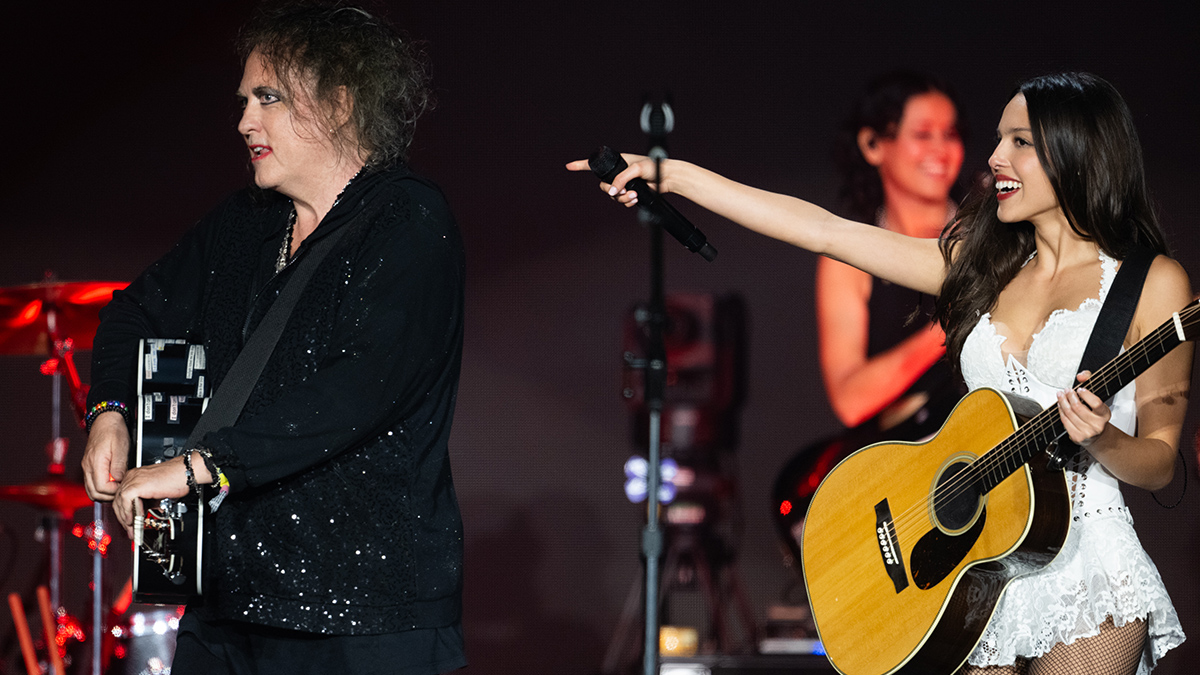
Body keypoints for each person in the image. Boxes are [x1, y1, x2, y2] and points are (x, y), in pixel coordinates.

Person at [570, 72, 1190, 674]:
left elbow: (1161, 460)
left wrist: (1103, 437)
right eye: (1000, 138)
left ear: (1077, 152)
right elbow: (824, 231)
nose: (995, 157)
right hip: (978, 571)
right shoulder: (980, 264)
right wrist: (676, 176)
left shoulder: (1151, 283)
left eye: (1020, 142)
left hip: (1089, 570)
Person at [80, 4, 467, 674]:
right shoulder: (246, 222)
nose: (244, 121)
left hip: (362, 620)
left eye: (269, 98)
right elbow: (134, 312)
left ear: (339, 104)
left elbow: (356, 388)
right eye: (244, 100)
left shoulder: (408, 218)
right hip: (225, 607)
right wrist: (109, 412)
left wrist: (198, 467)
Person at [820, 71, 965, 430]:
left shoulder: (986, 234)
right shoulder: (851, 256)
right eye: (923, 134)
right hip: (902, 453)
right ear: (872, 144)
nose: (941, 150)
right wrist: (951, 325)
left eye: (950, 134)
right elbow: (851, 401)